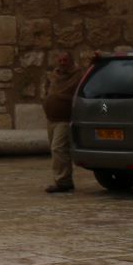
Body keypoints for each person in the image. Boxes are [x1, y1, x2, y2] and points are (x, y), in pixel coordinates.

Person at [44, 50, 89, 193]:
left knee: (58, 148)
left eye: (65, 60)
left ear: (71, 61)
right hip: (51, 119)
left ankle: (63, 181)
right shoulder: (54, 75)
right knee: (57, 150)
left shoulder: (78, 75)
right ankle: (63, 179)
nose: (63, 63)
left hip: (65, 119)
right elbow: (48, 90)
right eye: (60, 60)